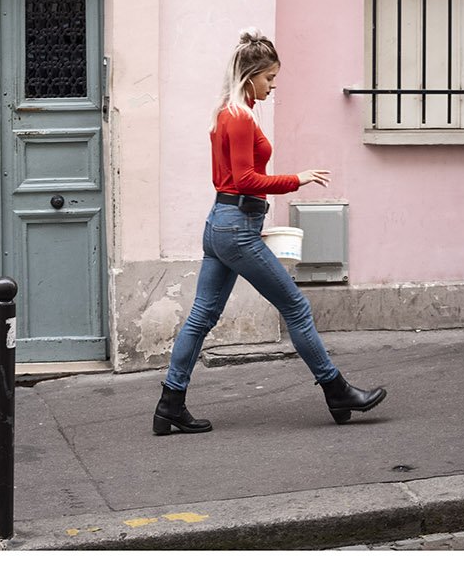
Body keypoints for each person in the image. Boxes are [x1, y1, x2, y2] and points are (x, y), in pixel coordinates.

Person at [153, 28, 387, 435]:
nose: (273, 86)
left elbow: (228, 180)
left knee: (201, 318)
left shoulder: (225, 111)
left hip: (221, 224)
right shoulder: (240, 118)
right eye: (270, 78)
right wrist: (295, 179)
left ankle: (169, 404)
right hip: (235, 227)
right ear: (251, 75)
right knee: (295, 306)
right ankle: (337, 390)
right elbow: (244, 178)